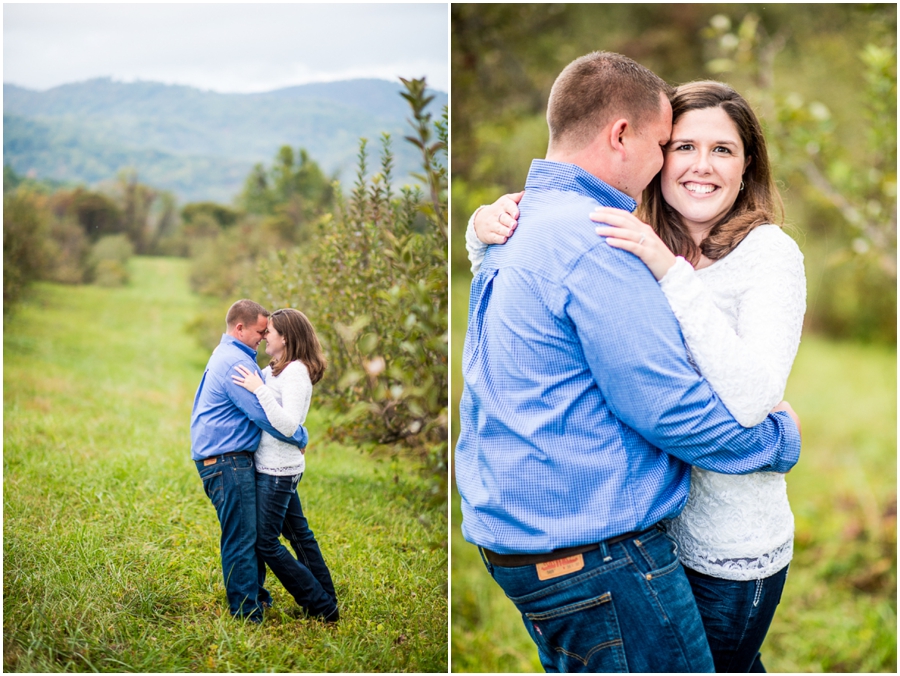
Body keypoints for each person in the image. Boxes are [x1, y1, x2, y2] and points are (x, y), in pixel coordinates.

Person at [455, 51, 801, 673]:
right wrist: (780, 442)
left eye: (723, 150)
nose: (697, 164)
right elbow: (666, 407)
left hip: (724, 539)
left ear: (748, 164)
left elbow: (736, 392)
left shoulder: (753, 253)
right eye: (676, 144)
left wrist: (672, 274)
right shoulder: (612, 238)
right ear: (628, 139)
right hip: (617, 543)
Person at [191, 299, 309, 623]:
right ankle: (246, 612)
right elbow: (264, 415)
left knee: (250, 535)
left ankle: (257, 597)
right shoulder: (235, 364)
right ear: (239, 328)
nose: (263, 337)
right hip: (227, 461)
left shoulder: (232, 355)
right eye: (260, 331)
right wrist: (300, 437)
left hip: (229, 459)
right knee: (242, 537)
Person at [231, 308, 339, 623]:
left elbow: (290, 425)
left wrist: (259, 389)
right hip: (277, 467)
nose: (265, 335)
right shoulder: (279, 368)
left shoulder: (296, 373)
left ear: (286, 338)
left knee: (266, 542)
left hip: (278, 472)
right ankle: (326, 597)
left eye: (270, 332)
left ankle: (321, 604)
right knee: (299, 535)